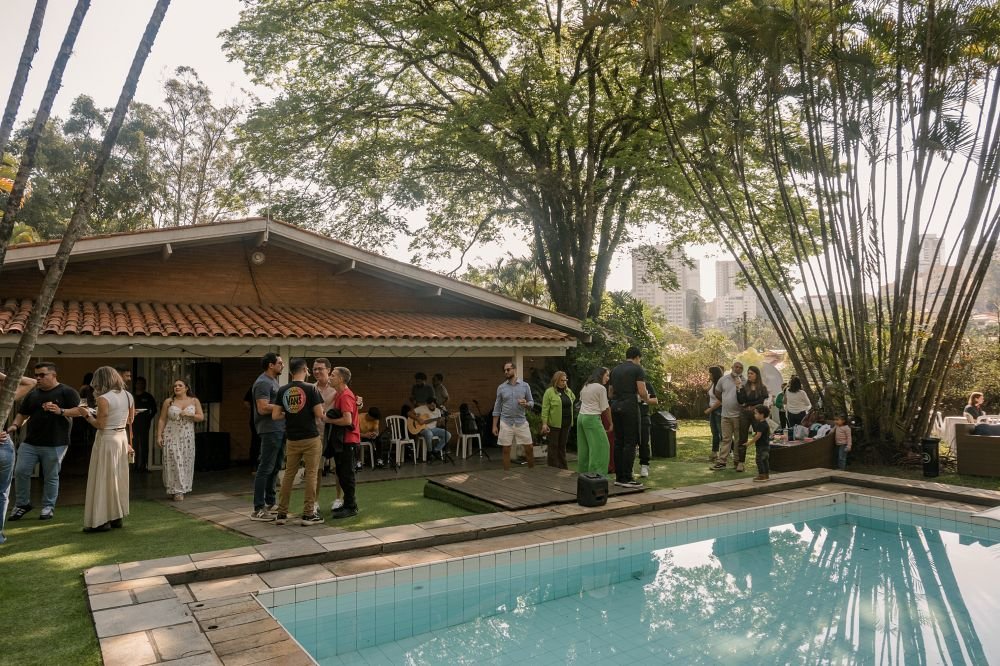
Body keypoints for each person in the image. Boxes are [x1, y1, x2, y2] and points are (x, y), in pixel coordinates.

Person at [8, 363, 84, 522]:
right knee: (20, 471)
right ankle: (22, 504)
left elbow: (80, 411)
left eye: (42, 375)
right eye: (36, 375)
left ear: (53, 375)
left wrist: (61, 411)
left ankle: (48, 507)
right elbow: (22, 414)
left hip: (56, 443)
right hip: (30, 442)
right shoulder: (33, 394)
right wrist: (15, 425)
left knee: (51, 476)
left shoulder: (67, 392)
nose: (38, 378)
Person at [271, 358, 326, 526]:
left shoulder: (283, 390)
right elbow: (319, 414)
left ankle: (281, 513)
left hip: (292, 438)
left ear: (290, 372)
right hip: (311, 438)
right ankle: (308, 514)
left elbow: (275, 415)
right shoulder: (311, 388)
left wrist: (289, 413)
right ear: (305, 370)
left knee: (289, 474)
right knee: (311, 474)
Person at [81, 366, 135, 532]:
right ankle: (116, 517)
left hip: (107, 440)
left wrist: (86, 415)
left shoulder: (103, 399)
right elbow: (130, 420)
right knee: (117, 478)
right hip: (121, 437)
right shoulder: (128, 395)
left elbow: (100, 425)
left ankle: (101, 520)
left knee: (103, 477)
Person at [0, 370, 37, 543]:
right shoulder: (3, 397)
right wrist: (3, 376)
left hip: (3, 446)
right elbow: (30, 382)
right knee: (2, 493)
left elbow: (31, 383)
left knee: (2, 492)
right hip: (3, 444)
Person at [250, 353, 285, 521]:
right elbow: (262, 408)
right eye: (280, 363)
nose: (282, 365)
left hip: (279, 429)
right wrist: (284, 406)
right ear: (271, 365)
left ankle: (270, 502)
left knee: (275, 466)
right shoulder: (263, 382)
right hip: (269, 430)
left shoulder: (273, 381)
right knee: (265, 467)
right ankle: (258, 508)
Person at [156, 378, 204, 501]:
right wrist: (159, 436)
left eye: (180, 385)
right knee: (173, 461)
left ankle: (181, 488)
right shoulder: (169, 401)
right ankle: (176, 490)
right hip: (171, 435)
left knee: (185, 461)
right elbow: (162, 419)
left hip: (187, 437)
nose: (176, 387)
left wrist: (190, 414)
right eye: (175, 386)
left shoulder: (194, 401)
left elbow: (201, 417)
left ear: (186, 388)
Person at [608, 347, 649, 488]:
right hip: (629, 406)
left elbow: (610, 393)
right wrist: (646, 399)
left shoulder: (614, 370)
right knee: (630, 442)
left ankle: (619, 477)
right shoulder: (637, 369)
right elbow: (642, 391)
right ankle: (627, 478)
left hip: (615, 406)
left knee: (618, 442)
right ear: (637, 357)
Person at [310, 358, 342, 515]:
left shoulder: (336, 387)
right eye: (314, 369)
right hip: (316, 434)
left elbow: (350, 401)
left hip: (334, 433)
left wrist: (359, 402)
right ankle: (314, 502)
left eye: (320, 369)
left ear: (328, 370)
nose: (317, 372)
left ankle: (339, 499)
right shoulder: (311, 389)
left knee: (338, 468)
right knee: (316, 469)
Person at [328, 366, 360, 518]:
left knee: (347, 474)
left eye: (333, 375)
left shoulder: (346, 396)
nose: (330, 377)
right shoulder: (340, 394)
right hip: (343, 441)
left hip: (349, 440)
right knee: (341, 473)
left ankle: (351, 507)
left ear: (341, 379)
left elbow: (347, 420)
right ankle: (348, 503)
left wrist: (328, 419)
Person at [492, 361, 535, 471]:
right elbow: (497, 407)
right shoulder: (501, 388)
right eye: (504, 370)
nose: (506, 372)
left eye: (508, 369)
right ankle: (506, 473)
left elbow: (531, 402)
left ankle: (532, 471)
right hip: (506, 422)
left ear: (514, 370)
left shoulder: (525, 386)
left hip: (521, 421)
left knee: (529, 447)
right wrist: (494, 426)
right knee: (506, 449)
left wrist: (526, 404)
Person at [576, 367, 611, 476]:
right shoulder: (601, 388)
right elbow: (605, 408)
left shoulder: (586, 386)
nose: (608, 378)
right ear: (601, 375)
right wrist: (611, 423)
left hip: (581, 417)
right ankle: (597, 475)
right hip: (592, 418)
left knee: (584, 448)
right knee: (601, 447)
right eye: (607, 375)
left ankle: (584, 474)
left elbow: (581, 402)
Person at [734, 365, 769, 473]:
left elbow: (761, 401)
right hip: (744, 414)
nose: (749, 375)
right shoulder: (744, 386)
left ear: (757, 375)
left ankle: (762, 460)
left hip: (756, 414)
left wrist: (750, 404)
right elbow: (741, 401)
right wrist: (738, 388)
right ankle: (741, 463)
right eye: (748, 373)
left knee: (760, 436)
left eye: (751, 373)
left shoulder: (762, 388)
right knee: (742, 437)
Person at [712, 361, 744, 471]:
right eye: (736, 367)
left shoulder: (744, 381)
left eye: (740, 368)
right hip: (725, 415)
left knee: (738, 440)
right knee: (726, 439)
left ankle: (737, 461)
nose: (738, 369)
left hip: (738, 416)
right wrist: (725, 401)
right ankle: (722, 462)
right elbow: (717, 392)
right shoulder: (723, 379)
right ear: (732, 367)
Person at [540, 371, 575, 469]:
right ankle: (553, 468)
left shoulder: (568, 391)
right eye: (562, 380)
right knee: (553, 447)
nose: (564, 382)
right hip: (554, 425)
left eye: (565, 380)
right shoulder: (549, 392)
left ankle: (563, 467)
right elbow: (545, 409)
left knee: (562, 446)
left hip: (566, 424)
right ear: (556, 380)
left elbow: (573, 399)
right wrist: (544, 424)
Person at [131, 377, 157, 472]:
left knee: (144, 444)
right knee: (134, 444)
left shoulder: (148, 396)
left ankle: (143, 466)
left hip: (144, 424)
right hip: (133, 423)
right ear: (135, 384)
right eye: (138, 383)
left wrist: (148, 418)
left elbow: (154, 409)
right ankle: (134, 465)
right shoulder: (131, 396)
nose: (140, 385)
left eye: (142, 383)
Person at [637, 381, 659, 478]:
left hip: (643, 416)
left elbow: (655, 401)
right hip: (629, 416)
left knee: (644, 442)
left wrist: (643, 399)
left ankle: (644, 465)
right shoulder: (627, 384)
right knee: (629, 443)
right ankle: (628, 468)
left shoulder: (647, 384)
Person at [705, 366, 724, 463]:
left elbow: (720, 400)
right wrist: (711, 381)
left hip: (718, 410)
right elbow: (706, 389)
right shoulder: (714, 383)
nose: (709, 375)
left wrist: (710, 409)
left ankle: (729, 451)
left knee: (722, 433)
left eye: (710, 373)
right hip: (713, 410)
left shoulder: (720, 385)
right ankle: (714, 453)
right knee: (715, 433)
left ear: (714, 374)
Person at [750, 405, 772, 482]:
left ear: (762, 415)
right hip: (766, 445)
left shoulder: (760, 424)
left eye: (756, 413)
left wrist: (749, 443)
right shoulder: (765, 423)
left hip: (761, 446)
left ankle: (761, 475)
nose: (754, 415)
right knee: (765, 460)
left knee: (759, 460)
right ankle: (766, 474)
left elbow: (758, 436)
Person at [243, 387, 261, 472]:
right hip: (257, 420)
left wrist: (253, 408)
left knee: (255, 441)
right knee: (256, 441)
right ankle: (255, 464)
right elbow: (246, 402)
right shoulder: (255, 387)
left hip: (255, 420)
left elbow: (246, 402)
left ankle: (254, 465)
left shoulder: (253, 387)